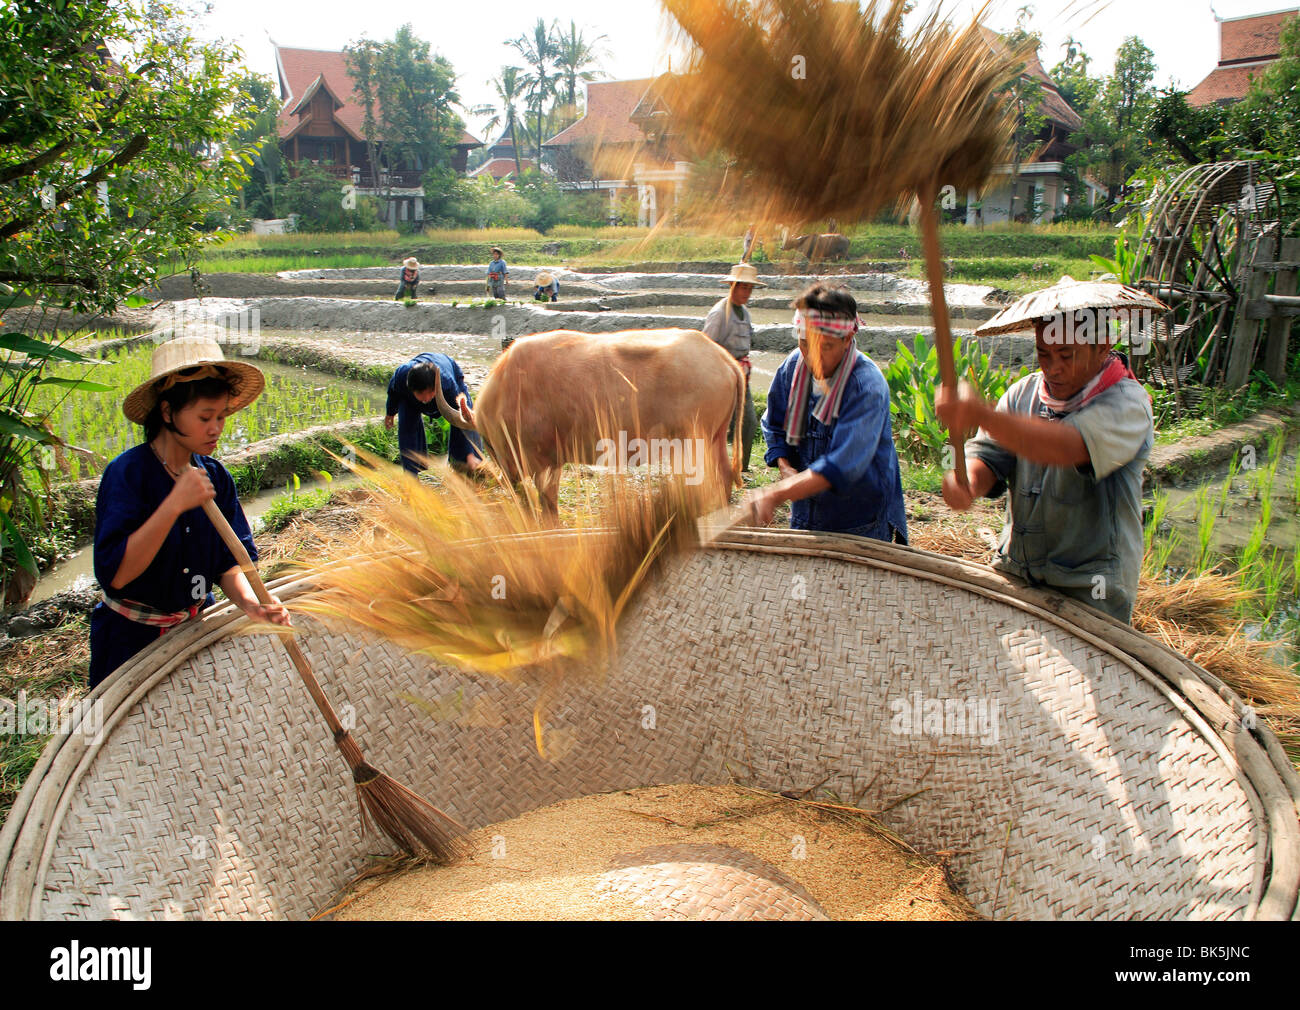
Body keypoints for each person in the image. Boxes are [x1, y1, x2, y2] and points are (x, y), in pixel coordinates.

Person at [89, 334, 291, 689]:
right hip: (130, 642)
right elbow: (116, 576)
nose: (215, 428)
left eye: (221, 416)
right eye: (204, 417)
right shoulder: (129, 475)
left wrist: (250, 602)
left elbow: (229, 562)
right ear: (167, 412)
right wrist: (173, 506)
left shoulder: (215, 477)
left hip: (195, 632)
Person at [935, 303, 1154, 625]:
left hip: (1089, 591)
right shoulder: (1023, 393)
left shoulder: (1126, 404)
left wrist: (981, 414)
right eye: (1044, 354)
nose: (1054, 368)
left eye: (1067, 355)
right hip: (1018, 574)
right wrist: (965, 483)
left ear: (1102, 347)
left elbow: (1065, 446)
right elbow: (989, 455)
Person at [751, 284, 907, 542]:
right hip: (805, 513)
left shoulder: (866, 386)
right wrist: (785, 466)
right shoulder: (793, 366)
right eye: (804, 343)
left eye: (825, 347)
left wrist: (776, 494)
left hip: (857, 522)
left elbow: (842, 466)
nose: (812, 358)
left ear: (847, 340)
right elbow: (774, 422)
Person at [702, 262, 763, 470]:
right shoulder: (720, 313)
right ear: (733, 287)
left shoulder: (744, 312)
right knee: (718, 425)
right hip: (721, 376)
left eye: (749, 288)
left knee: (749, 423)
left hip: (740, 376)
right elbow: (707, 347)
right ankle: (710, 468)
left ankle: (742, 468)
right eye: (743, 287)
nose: (747, 292)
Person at [385, 352, 486, 477]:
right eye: (420, 394)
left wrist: (468, 454)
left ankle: (467, 465)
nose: (426, 398)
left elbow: (461, 420)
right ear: (411, 389)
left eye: (429, 393)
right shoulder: (401, 377)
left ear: (435, 388)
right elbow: (393, 392)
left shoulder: (447, 384)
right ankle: (411, 475)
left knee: (466, 417)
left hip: (449, 372)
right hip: (412, 395)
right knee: (406, 424)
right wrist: (390, 413)